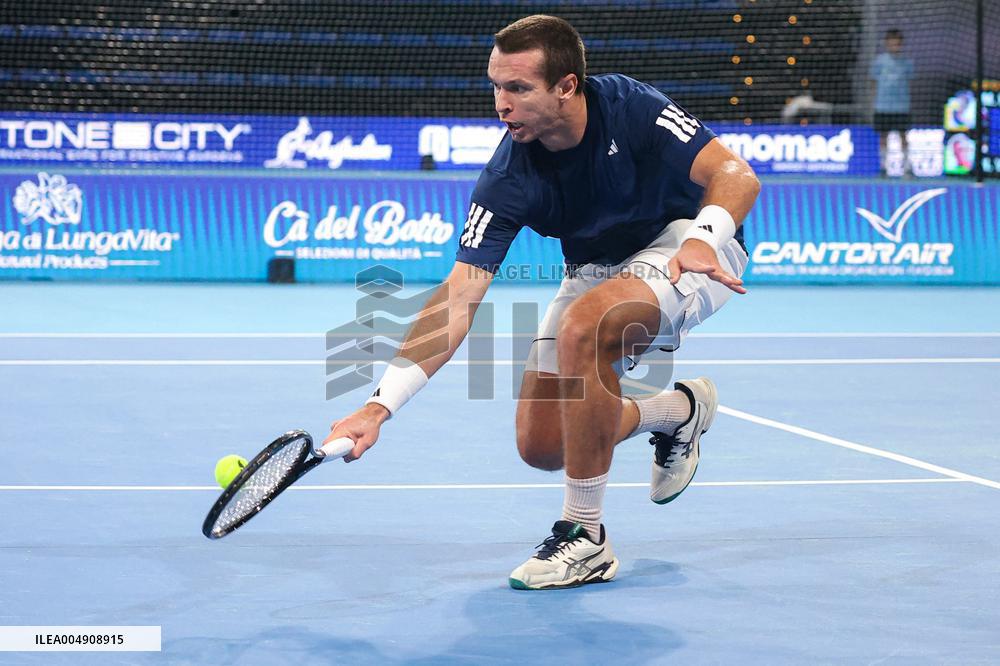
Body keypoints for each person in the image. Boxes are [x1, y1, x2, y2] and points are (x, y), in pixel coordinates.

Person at [325, 15, 759, 590]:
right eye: (496, 86)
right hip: (597, 271)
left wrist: (707, 235)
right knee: (543, 445)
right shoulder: (508, 176)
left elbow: (735, 174)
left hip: (688, 245)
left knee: (586, 325)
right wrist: (377, 407)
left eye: (518, 88)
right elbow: (456, 300)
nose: (501, 104)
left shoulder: (630, 106)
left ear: (567, 86)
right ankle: (677, 412)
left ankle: (586, 537)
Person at [870, 29, 915, 176]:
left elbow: (910, 83)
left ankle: (907, 168)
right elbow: (873, 83)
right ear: (887, 43)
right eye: (891, 43)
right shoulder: (879, 62)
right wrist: (874, 102)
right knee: (883, 137)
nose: (894, 46)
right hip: (882, 106)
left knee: (903, 136)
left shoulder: (907, 63)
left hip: (901, 107)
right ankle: (884, 167)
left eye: (897, 44)